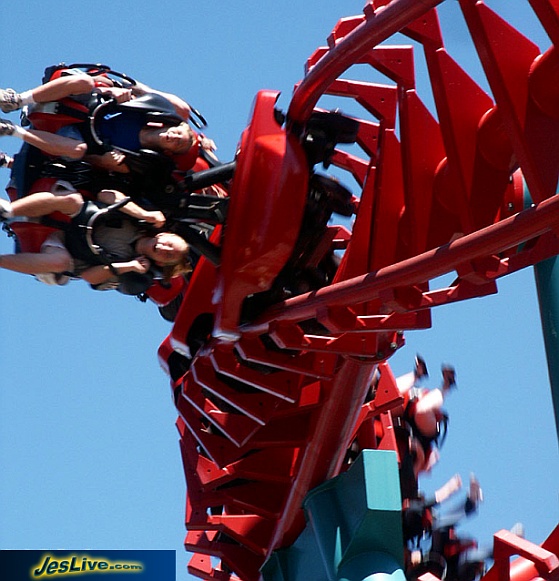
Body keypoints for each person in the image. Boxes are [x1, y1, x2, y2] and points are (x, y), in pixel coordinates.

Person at [0, 186, 191, 291]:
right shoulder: (142, 220)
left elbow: (88, 277)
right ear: (164, 234)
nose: (165, 249)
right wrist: (144, 214)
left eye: (168, 256)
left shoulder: (133, 266)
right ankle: (7, 211)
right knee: (72, 200)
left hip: (64, 245)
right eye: (170, 245)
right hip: (75, 215)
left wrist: (129, 266)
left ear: (159, 261)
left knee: (60, 263)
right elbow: (107, 194)